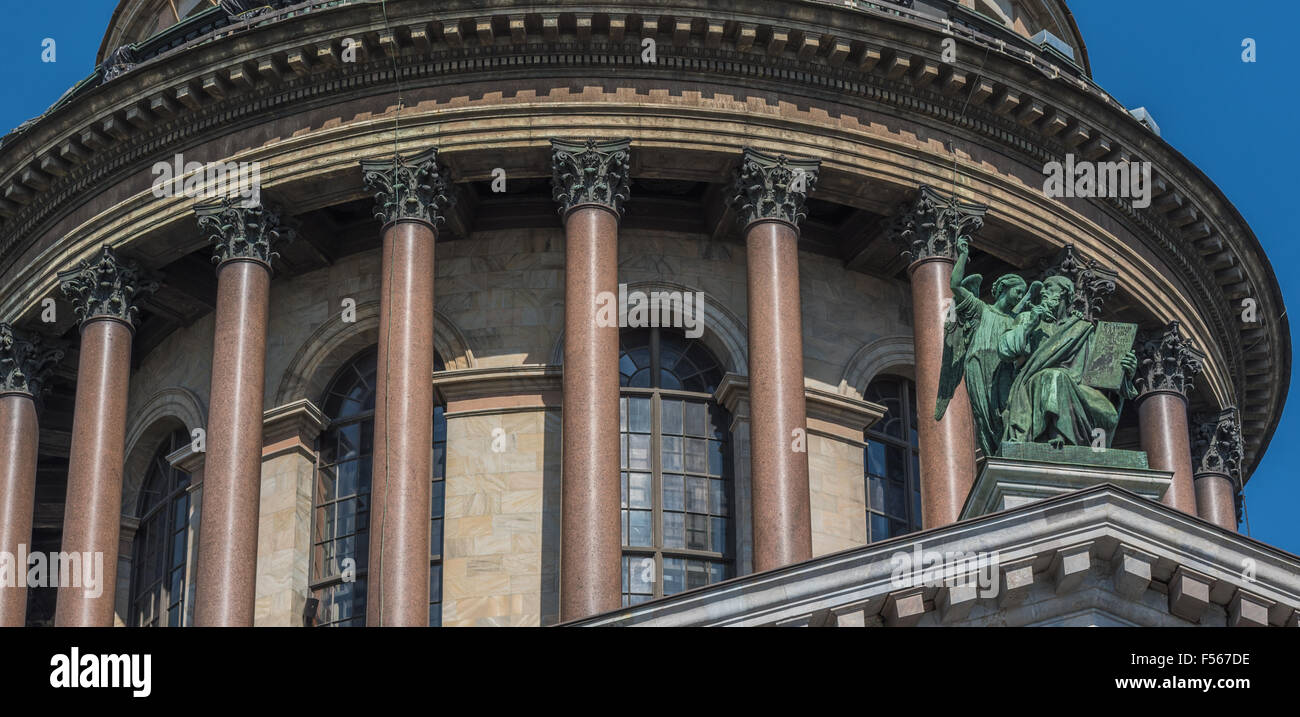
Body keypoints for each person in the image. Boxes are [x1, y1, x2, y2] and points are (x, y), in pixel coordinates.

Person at [998, 275, 1138, 449]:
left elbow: (1101, 376)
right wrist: (1029, 325)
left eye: (1049, 287)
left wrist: (1126, 374)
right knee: (1055, 377)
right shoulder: (1028, 318)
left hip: (1078, 389)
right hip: (1033, 385)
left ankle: (1090, 447)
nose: (1043, 291)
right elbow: (1005, 350)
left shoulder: (1082, 329)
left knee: (1108, 412)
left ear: (1064, 293)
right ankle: (1057, 435)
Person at [936, 237, 1036, 458]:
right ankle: (995, 456)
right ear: (1004, 288)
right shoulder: (981, 309)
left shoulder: (1015, 320)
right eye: (1017, 291)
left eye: (1022, 293)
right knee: (984, 416)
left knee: (1006, 412)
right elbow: (955, 285)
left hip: (1004, 368)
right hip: (979, 365)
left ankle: (1006, 455)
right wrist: (962, 255)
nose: (1020, 296)